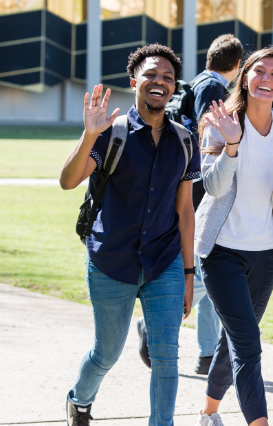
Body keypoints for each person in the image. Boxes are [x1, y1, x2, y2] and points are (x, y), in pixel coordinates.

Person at [58, 44, 199, 426]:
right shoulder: (111, 133)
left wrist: (188, 274)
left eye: (168, 78)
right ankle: (80, 399)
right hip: (111, 261)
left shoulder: (185, 140)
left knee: (166, 355)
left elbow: (185, 212)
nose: (160, 82)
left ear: (173, 89)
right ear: (135, 80)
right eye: (152, 74)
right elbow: (68, 181)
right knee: (107, 352)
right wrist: (89, 135)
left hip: (164, 261)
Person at [194, 47, 273, 426]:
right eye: (260, 71)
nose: (267, 79)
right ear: (245, 77)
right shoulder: (218, 122)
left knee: (235, 340)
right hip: (222, 251)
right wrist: (233, 146)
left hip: (267, 252)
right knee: (248, 346)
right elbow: (214, 186)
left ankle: (208, 413)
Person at [137, 33, 243, 375]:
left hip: (186, 187)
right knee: (206, 265)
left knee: (212, 264)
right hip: (200, 189)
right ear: (238, 66)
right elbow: (203, 136)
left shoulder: (194, 82)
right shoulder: (213, 88)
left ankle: (207, 354)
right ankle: (154, 323)